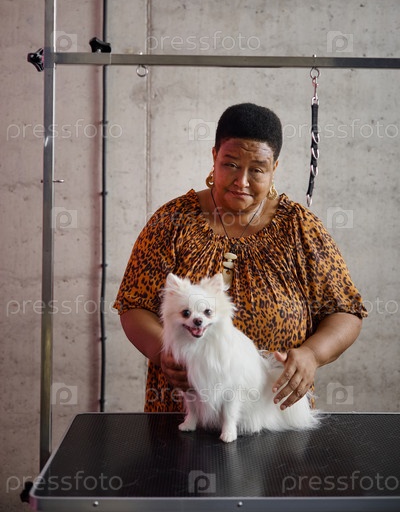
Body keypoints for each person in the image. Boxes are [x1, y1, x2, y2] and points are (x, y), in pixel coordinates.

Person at [114, 103, 367, 413]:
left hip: (274, 414)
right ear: (214, 157)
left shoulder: (300, 228)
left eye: (257, 169)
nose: (242, 181)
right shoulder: (172, 221)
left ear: (275, 168)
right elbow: (134, 305)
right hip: (183, 414)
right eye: (231, 164)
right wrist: (162, 351)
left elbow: (344, 311)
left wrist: (313, 354)